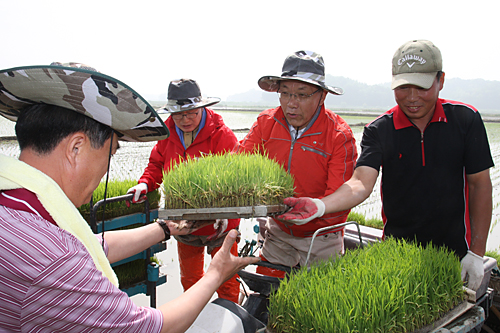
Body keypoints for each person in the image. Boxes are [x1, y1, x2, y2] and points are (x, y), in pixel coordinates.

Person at [0, 63, 258, 333]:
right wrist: (216, 273)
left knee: (226, 285)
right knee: (193, 275)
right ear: (76, 148)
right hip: (187, 225)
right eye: (111, 154)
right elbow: (145, 328)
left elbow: (91, 246)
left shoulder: (21, 211)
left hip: (214, 224)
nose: (104, 171)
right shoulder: (56, 260)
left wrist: (164, 228)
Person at [277, 40, 493, 291]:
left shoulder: (465, 120)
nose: (412, 98)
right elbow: (360, 182)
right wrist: (319, 205)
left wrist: (477, 254)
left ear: (440, 81)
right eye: (403, 88)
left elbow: (480, 186)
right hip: (396, 254)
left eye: (421, 87)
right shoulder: (380, 129)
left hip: (457, 254)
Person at [234, 50, 357, 277]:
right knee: (268, 296)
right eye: (285, 93)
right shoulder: (266, 123)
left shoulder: (338, 135)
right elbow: (240, 164)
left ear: (322, 96)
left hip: (322, 237)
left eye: (302, 95)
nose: (291, 104)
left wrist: (310, 210)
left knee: (319, 303)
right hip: (279, 234)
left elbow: (340, 195)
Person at [127, 78, 241, 302]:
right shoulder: (167, 134)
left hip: (221, 223)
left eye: (191, 113)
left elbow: (238, 177)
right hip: (184, 222)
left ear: (202, 108)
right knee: (190, 279)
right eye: (179, 114)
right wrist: (144, 183)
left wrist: (227, 216)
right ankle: (194, 319)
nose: (185, 119)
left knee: (226, 279)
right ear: (171, 113)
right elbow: (156, 165)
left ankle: (230, 318)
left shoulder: (221, 134)